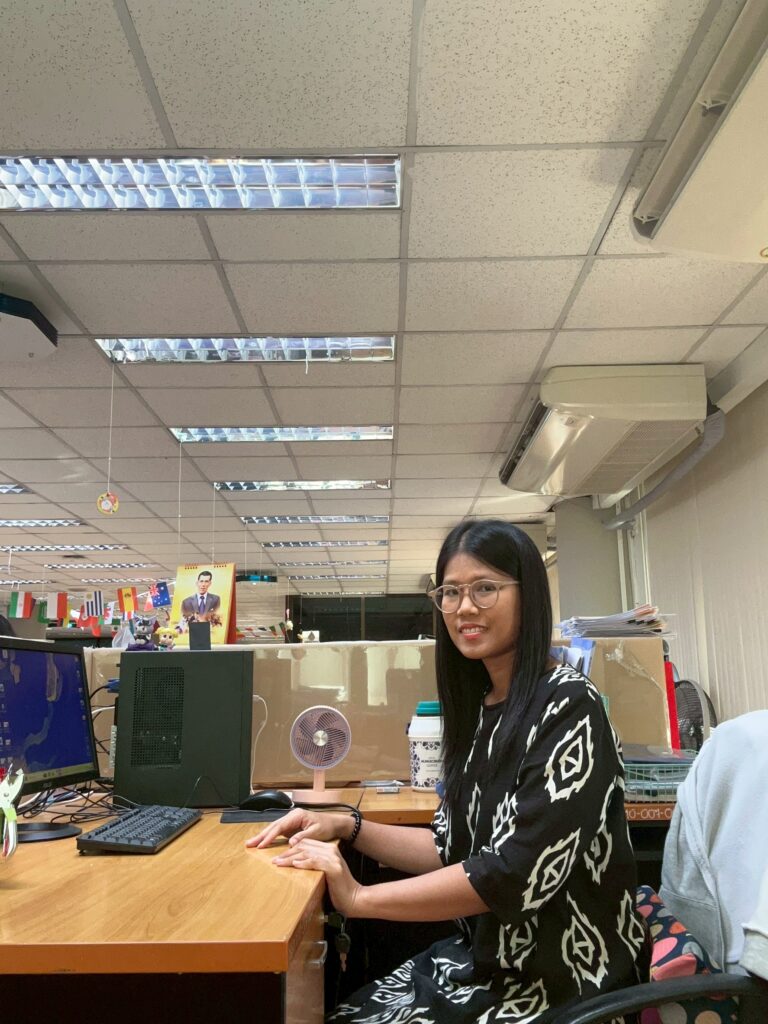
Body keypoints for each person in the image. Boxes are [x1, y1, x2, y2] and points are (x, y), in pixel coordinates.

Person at [247, 519, 648, 1023]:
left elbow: (510, 876)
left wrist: (359, 897)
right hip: (486, 964)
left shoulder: (569, 705)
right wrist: (346, 824)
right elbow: (450, 847)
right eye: (451, 592)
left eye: (485, 588)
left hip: (560, 982)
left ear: (529, 595)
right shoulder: (484, 707)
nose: (464, 608)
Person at [661, 710, 768, 973]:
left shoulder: (735, 736)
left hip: (708, 965)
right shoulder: (736, 739)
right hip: (732, 967)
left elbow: (679, 892)